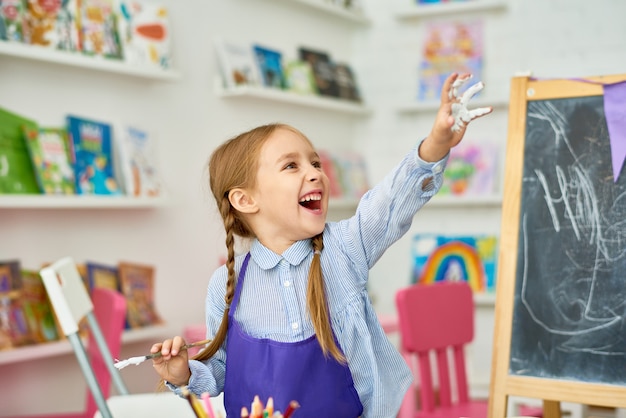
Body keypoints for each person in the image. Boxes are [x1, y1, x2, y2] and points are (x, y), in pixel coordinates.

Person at [150, 72, 492, 418]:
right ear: (245, 199)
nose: (315, 173)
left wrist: (436, 143)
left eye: (315, 163)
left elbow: (390, 202)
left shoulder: (344, 248)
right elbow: (220, 370)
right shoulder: (226, 283)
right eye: (291, 166)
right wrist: (185, 374)